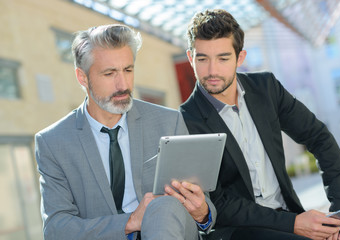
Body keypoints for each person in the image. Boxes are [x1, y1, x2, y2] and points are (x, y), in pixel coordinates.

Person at [180, 9, 340, 240]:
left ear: (240, 57)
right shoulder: (186, 119)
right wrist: (293, 223)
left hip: (289, 215)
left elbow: (319, 137)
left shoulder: (266, 88)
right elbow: (218, 201)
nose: (212, 70)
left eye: (223, 58)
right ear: (190, 58)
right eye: (202, 58)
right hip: (240, 231)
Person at [35, 24, 216, 240]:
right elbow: (56, 229)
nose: (123, 84)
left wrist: (202, 212)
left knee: (163, 205)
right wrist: (130, 222)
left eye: (128, 70)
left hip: (170, 230)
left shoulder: (169, 122)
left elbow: (206, 209)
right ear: (82, 78)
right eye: (110, 73)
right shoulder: (53, 142)